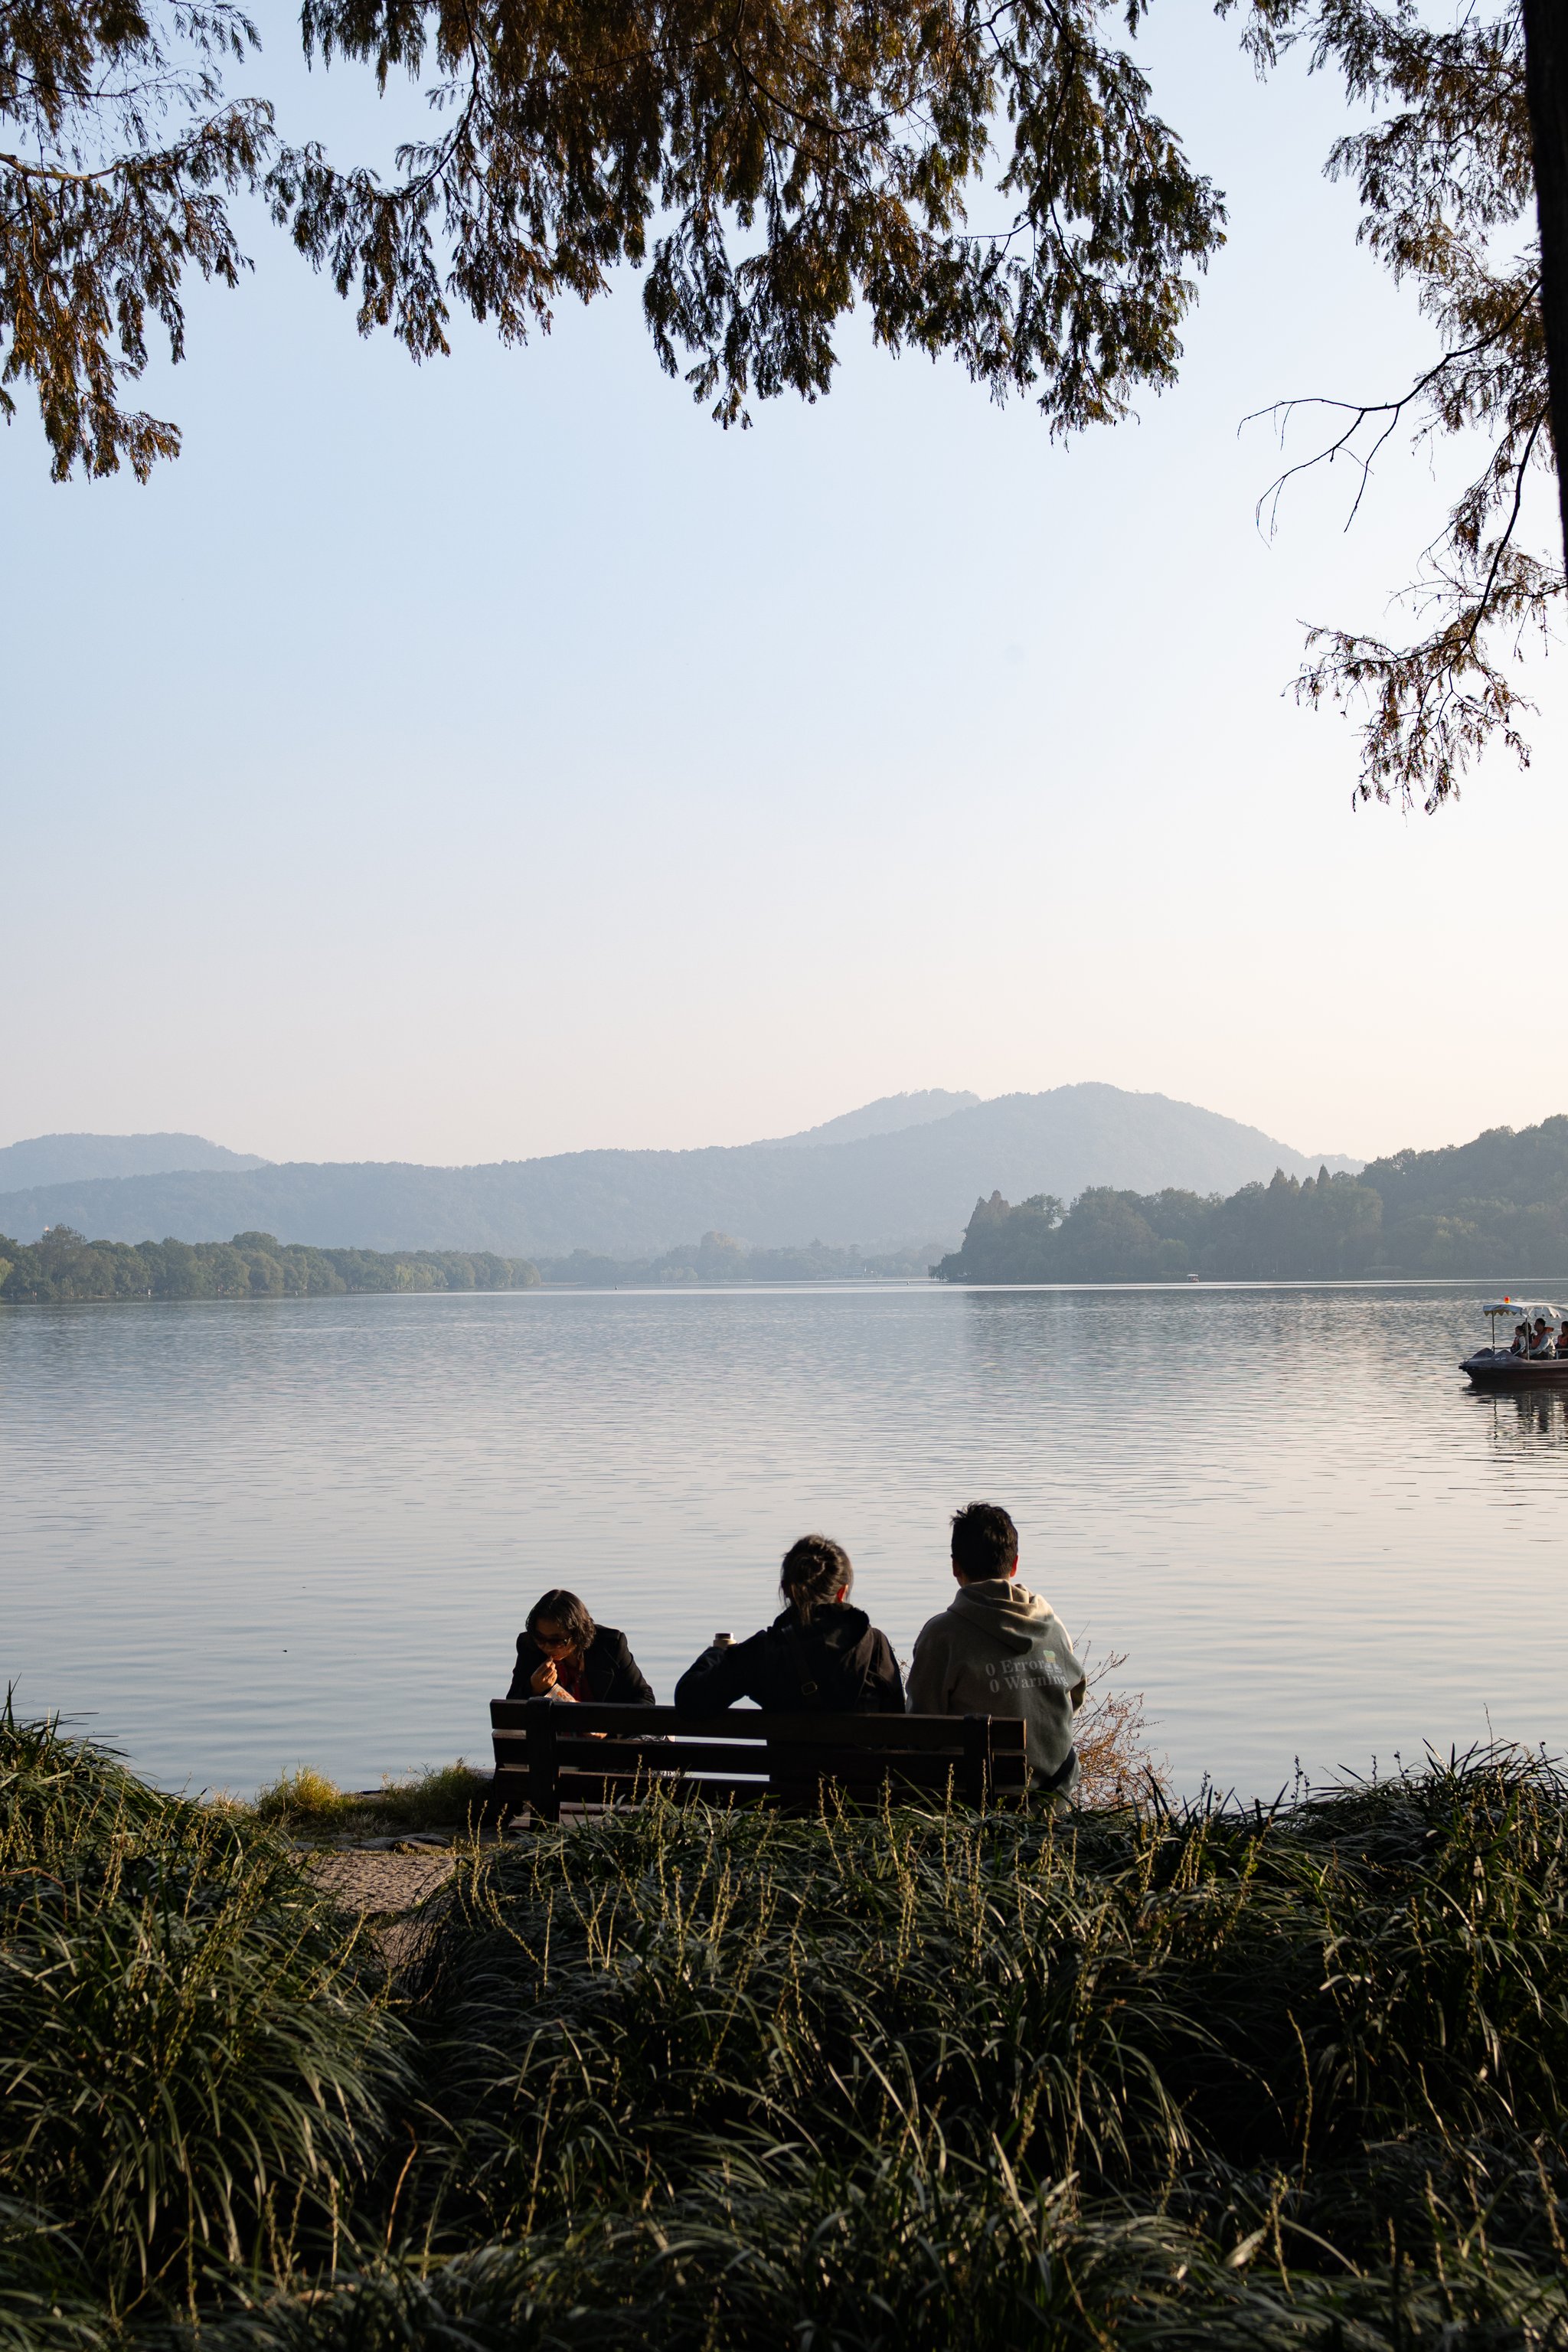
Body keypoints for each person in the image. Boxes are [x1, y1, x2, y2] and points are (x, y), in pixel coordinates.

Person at [906, 1502, 1086, 1798]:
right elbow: (1075, 1694)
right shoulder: (1051, 1626)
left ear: (955, 1566)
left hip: (975, 1800)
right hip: (1053, 1798)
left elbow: (923, 1731)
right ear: (1015, 1564)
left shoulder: (942, 1636)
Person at [674, 1534, 905, 1714]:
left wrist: (718, 1653)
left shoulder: (763, 1652)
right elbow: (897, 1723)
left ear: (786, 1590)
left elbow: (689, 1702)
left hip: (790, 1775)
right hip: (863, 1776)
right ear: (842, 1592)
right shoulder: (873, 1645)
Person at [506, 1587, 656, 1707]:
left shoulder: (611, 1645)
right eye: (540, 1638)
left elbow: (644, 1698)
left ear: (578, 1634)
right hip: (553, 1741)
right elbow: (509, 1710)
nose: (547, 1647)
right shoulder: (530, 1647)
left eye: (556, 1641)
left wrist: (608, 1728)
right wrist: (533, 1688)